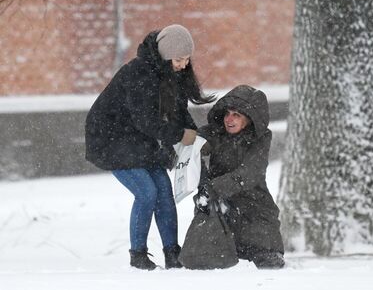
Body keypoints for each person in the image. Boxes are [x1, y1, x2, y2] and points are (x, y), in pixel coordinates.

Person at [85, 24, 214, 270]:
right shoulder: (138, 74)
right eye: (178, 59)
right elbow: (146, 120)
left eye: (187, 59)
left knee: (164, 193)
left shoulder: (171, 76)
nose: (183, 65)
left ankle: (173, 253)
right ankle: (138, 256)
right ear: (165, 56)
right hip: (110, 139)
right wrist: (179, 135)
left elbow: (178, 112)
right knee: (147, 193)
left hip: (141, 141)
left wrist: (194, 138)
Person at [193, 85, 285, 269]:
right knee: (206, 262)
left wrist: (213, 187)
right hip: (218, 203)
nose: (229, 119)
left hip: (254, 204)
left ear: (249, 119)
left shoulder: (261, 138)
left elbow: (250, 173)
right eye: (227, 113)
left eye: (236, 115)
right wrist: (203, 184)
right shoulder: (214, 133)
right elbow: (190, 150)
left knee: (267, 261)